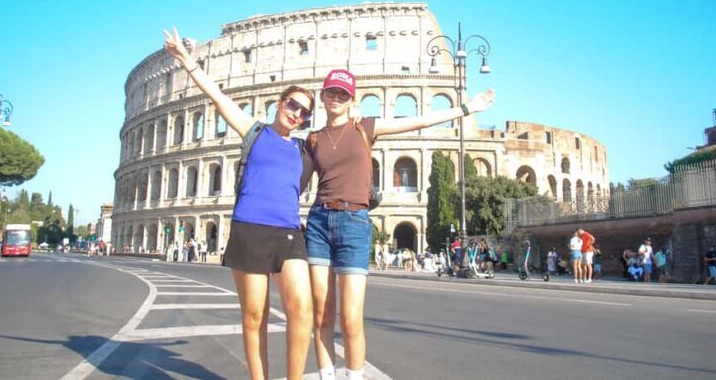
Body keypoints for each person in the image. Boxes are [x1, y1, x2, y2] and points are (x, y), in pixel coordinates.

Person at [302, 68, 495, 380]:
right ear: (322, 96)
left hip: (353, 221)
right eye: (331, 92)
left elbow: (416, 121)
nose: (336, 98)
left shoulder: (365, 127)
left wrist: (466, 109)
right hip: (319, 223)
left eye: (343, 93)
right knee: (322, 316)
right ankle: (326, 375)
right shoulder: (313, 139)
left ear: (352, 100)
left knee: (351, 318)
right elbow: (295, 184)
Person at [164, 27, 314, 380]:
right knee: (254, 316)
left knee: (302, 311)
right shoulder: (255, 131)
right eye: (293, 105)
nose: (296, 114)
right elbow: (218, 97)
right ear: (280, 103)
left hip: (289, 234)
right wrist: (188, 61)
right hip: (249, 229)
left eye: (304, 112)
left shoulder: (303, 148)